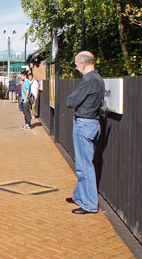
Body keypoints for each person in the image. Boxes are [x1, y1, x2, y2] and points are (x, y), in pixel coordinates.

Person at [66, 51, 104, 214]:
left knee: (84, 166)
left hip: (84, 124)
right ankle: (79, 196)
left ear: (82, 64)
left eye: (76, 65)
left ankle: (89, 204)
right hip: (93, 123)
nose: (76, 68)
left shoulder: (88, 81)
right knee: (84, 163)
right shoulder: (99, 79)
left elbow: (71, 101)